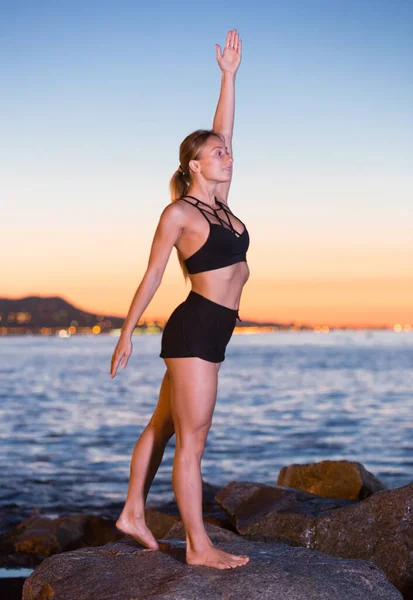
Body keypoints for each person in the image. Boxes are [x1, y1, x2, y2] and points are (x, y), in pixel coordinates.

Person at [110, 29, 250, 570]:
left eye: (227, 150)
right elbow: (150, 277)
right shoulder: (180, 214)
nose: (226, 153)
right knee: (193, 440)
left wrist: (229, 76)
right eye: (216, 152)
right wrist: (125, 333)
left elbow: (224, 127)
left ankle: (130, 512)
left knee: (163, 425)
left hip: (216, 330)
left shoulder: (222, 204)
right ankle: (198, 547)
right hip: (192, 330)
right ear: (194, 164)